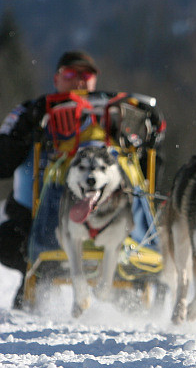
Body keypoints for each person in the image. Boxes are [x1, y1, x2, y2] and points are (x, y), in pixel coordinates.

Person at [0, 50, 164, 309]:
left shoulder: (114, 117)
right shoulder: (34, 112)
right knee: (10, 241)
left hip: (112, 213)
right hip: (35, 217)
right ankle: (35, 302)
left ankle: (129, 305)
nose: (78, 81)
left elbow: (146, 171)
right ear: (56, 78)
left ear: (94, 79)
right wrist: (27, 129)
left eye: (85, 75)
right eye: (70, 74)